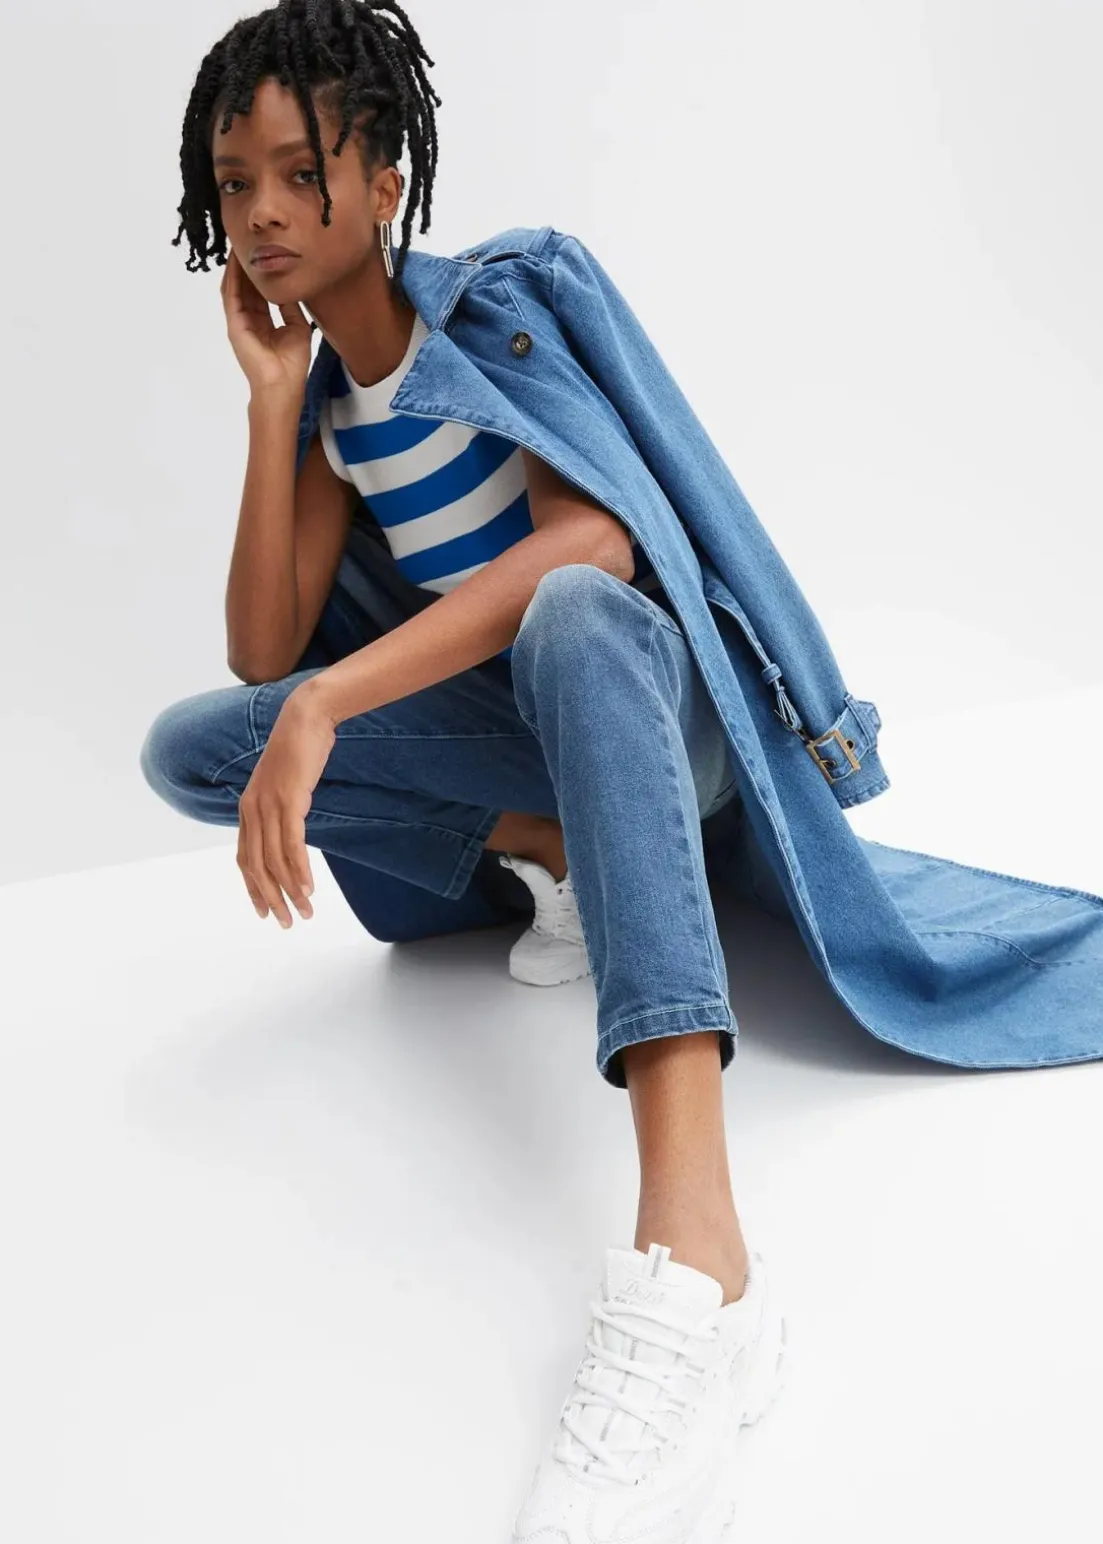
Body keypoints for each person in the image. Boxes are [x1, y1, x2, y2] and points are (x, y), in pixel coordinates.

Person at [140, 2, 787, 1535]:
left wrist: (330, 704)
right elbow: (262, 650)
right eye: (235, 184)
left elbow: (592, 545)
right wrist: (275, 407)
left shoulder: (494, 312)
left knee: (566, 613)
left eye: (301, 172)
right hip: (530, 741)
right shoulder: (334, 416)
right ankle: (556, 852)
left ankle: (700, 1261)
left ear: (384, 182)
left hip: (659, 718)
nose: (264, 211)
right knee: (195, 747)